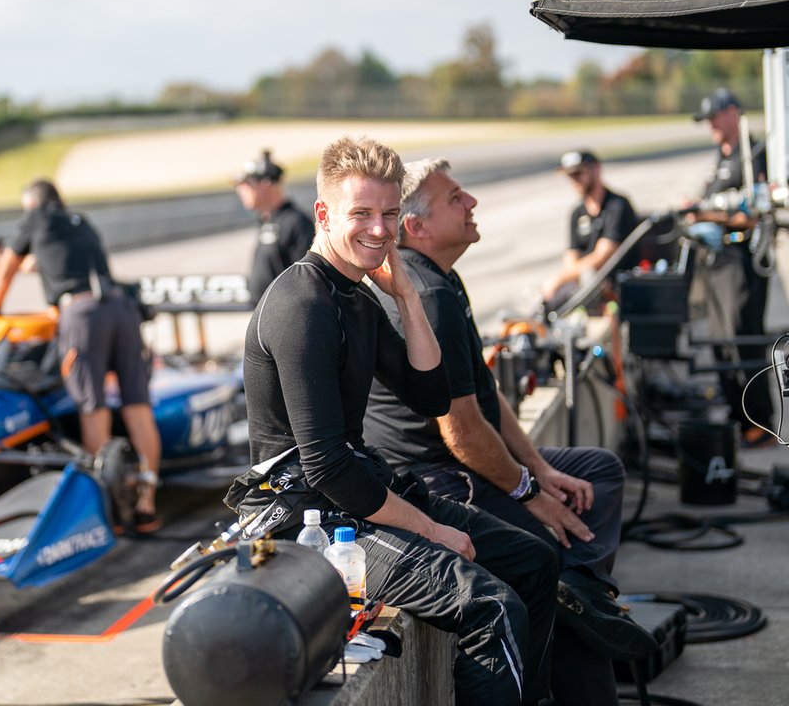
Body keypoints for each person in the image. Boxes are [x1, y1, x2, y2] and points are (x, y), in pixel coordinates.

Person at [224, 136, 559, 706]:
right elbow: (325, 464)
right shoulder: (301, 305)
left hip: (356, 490)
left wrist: (403, 296)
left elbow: (428, 395)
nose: (379, 230)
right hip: (304, 514)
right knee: (489, 606)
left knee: (535, 560)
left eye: (389, 214)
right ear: (325, 214)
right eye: (362, 214)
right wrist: (432, 531)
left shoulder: (356, 293)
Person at [362, 158, 658, 705]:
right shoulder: (425, 295)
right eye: (456, 198)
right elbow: (462, 432)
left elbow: (486, 395)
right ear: (416, 227)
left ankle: (582, 591)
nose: (471, 202)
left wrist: (540, 471)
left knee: (598, 471)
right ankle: (579, 604)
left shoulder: (441, 281)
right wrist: (530, 493)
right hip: (434, 481)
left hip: (462, 461)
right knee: (546, 546)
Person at [0, 179, 163, 532]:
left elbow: (7, 266)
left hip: (83, 316)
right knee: (137, 408)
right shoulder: (79, 222)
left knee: (92, 407)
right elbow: (56, 261)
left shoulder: (35, 216)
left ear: (34, 202)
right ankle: (146, 505)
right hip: (121, 308)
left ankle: (106, 508)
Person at [688, 87, 776, 448]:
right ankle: (736, 414)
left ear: (734, 113)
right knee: (721, 344)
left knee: (743, 341)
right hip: (715, 261)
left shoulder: (753, 153)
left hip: (741, 261)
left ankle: (760, 421)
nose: (711, 124)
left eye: (715, 116)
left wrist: (704, 213)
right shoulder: (719, 158)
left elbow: (752, 215)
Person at [540, 149, 639, 311]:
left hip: (615, 281)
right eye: (570, 176)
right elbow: (571, 255)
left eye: (578, 173)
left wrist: (560, 279)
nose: (574, 180)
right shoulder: (577, 212)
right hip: (585, 281)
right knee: (548, 299)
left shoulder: (617, 205)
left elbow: (604, 256)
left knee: (579, 282)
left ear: (596, 169)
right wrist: (566, 279)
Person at [233, 149, 315, 304]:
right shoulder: (266, 220)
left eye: (247, 185)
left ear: (265, 185)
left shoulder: (296, 222)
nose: (240, 191)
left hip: (284, 316)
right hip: (264, 314)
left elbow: (306, 279)